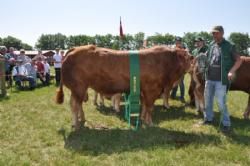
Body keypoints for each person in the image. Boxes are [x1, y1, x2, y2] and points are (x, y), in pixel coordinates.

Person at [202, 26, 242, 132]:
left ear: (222, 33)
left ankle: (226, 123)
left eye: (216, 33)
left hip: (221, 80)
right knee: (208, 100)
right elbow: (207, 56)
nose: (214, 35)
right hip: (209, 78)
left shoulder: (229, 46)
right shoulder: (211, 45)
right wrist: (201, 58)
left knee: (220, 102)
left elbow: (239, 60)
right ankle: (208, 119)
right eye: (213, 33)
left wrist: (231, 71)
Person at [170, 37, 186, 103]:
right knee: (174, 82)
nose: (177, 42)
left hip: (181, 69)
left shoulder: (184, 49)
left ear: (181, 42)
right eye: (176, 41)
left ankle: (182, 97)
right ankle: (173, 95)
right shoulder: (173, 49)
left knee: (181, 83)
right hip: (174, 69)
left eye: (179, 41)